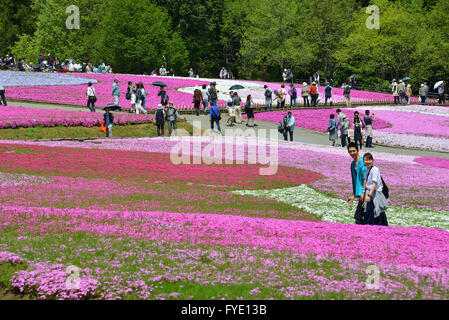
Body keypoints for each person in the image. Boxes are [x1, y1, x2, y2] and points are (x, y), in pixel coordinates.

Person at [361, 153, 389, 226]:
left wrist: (369, 195)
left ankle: (376, 228)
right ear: (363, 161)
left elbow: (374, 183)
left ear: (372, 160)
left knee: (374, 212)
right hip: (370, 192)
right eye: (366, 160)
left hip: (374, 194)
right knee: (371, 212)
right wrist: (363, 192)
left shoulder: (375, 169)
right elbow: (365, 181)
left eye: (369, 160)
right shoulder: (368, 169)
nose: (367, 161)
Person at [347, 142, 367, 225]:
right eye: (350, 151)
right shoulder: (352, 164)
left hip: (366, 193)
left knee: (358, 216)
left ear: (358, 150)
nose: (352, 153)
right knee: (363, 215)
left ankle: (362, 232)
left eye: (353, 151)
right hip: (361, 194)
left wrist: (363, 193)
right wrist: (353, 194)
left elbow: (366, 179)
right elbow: (355, 180)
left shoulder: (362, 162)